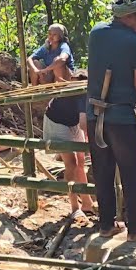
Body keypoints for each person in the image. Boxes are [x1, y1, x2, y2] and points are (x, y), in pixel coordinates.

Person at [86, 0, 136, 241]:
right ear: (131, 16)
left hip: (95, 115)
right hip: (121, 119)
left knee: (102, 172)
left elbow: (110, 66)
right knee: (131, 173)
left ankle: (106, 225)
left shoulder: (96, 33)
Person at [43, 71, 95, 217]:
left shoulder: (86, 91)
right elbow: (85, 124)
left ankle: (87, 202)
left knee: (80, 162)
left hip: (73, 122)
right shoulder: (80, 92)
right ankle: (74, 207)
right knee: (71, 163)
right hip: (57, 122)